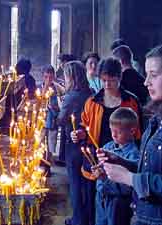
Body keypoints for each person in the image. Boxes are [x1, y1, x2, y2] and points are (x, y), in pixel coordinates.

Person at [98, 43, 162, 225]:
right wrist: (122, 162)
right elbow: (153, 168)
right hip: (144, 215)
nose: (146, 82)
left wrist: (128, 178)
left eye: (154, 75)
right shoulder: (158, 120)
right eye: (146, 74)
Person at [71, 57, 142, 149]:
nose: (107, 85)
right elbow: (85, 126)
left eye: (112, 80)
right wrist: (80, 134)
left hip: (125, 155)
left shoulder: (131, 101)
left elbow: (138, 133)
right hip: (97, 154)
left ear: (119, 78)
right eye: (104, 80)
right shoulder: (92, 102)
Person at [56, 61, 92, 225]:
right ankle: (87, 217)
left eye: (66, 76)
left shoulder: (71, 97)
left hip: (74, 143)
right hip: (87, 142)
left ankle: (78, 219)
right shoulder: (90, 93)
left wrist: (57, 107)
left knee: (75, 183)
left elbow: (61, 120)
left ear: (71, 77)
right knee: (86, 182)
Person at [93, 107, 139, 225]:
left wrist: (104, 179)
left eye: (118, 132)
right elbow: (101, 169)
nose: (113, 135)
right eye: (111, 130)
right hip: (102, 197)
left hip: (118, 202)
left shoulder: (133, 155)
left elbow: (127, 187)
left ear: (132, 131)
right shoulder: (108, 147)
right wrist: (97, 171)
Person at [42, 65, 59, 156]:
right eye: (46, 77)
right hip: (42, 121)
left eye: (51, 77)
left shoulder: (58, 88)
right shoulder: (40, 87)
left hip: (53, 120)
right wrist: (45, 87)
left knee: (51, 145)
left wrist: (54, 107)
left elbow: (61, 105)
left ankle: (49, 163)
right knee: (41, 143)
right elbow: (40, 100)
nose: (48, 79)